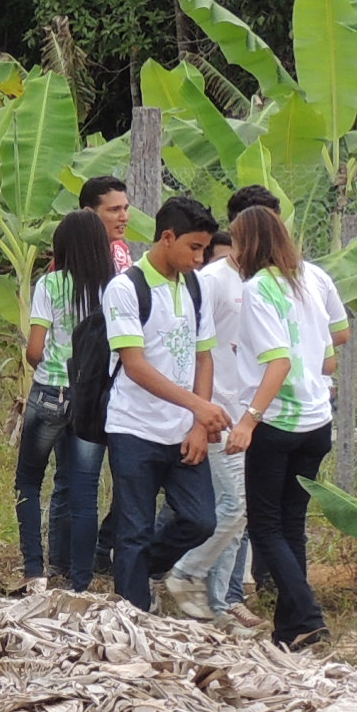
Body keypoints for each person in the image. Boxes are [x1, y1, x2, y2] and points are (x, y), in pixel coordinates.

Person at [226, 203, 347, 649]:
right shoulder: (309, 280)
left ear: (250, 244)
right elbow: (332, 348)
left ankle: (310, 614)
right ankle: (291, 628)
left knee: (265, 526)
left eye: (235, 242)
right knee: (291, 524)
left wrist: (248, 420)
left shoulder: (259, 290)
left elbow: (277, 362)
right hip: (316, 421)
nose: (232, 252)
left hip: (278, 422)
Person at [107, 195, 228, 611]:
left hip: (183, 431)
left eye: (204, 250)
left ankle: (136, 573)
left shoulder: (194, 286)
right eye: (193, 248)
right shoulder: (126, 287)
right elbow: (135, 365)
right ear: (167, 237)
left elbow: (204, 355)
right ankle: (132, 616)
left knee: (200, 520)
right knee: (134, 530)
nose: (200, 258)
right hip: (133, 428)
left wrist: (197, 422)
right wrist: (198, 406)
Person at [173, 190, 280, 621]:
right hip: (218, 412)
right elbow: (197, 349)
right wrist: (202, 410)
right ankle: (190, 577)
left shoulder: (268, 283)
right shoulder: (212, 281)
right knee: (235, 506)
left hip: (252, 414)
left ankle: (220, 602)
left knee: (238, 510)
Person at [18, 211, 115, 592]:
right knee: (85, 492)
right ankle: (80, 580)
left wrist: (45, 360)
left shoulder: (51, 284)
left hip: (50, 392)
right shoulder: (115, 287)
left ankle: (33, 569)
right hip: (92, 399)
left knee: (28, 481)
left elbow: (34, 349)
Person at [81, 173, 134, 272]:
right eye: (114, 210)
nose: (124, 217)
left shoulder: (121, 250)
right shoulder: (73, 257)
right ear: (89, 213)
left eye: (125, 209)